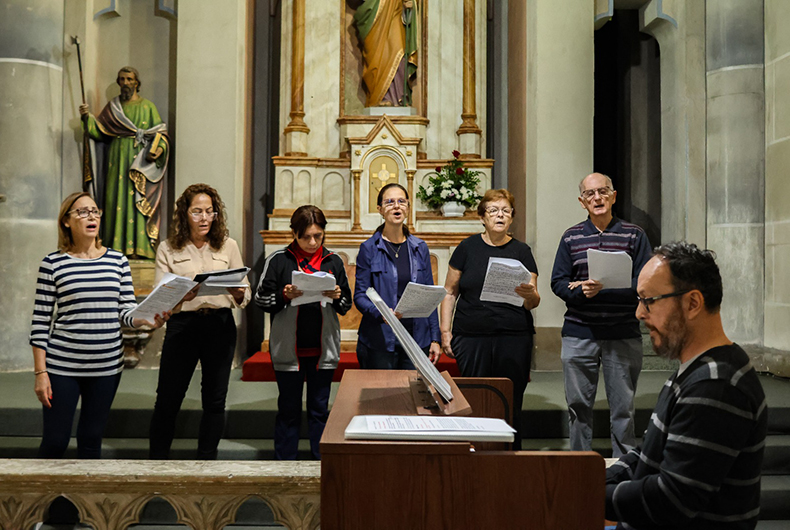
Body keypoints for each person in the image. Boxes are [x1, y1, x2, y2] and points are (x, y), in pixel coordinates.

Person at [605, 242, 767, 529]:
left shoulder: (716, 386)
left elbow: (672, 499)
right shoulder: (696, 369)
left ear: (692, 303)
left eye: (649, 300)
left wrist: (588, 494)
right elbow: (648, 455)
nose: (639, 313)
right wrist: (589, 479)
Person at [29, 192, 168, 458]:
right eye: (82, 212)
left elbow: (126, 311)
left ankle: (86, 489)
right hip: (63, 366)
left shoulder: (117, 261)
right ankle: (45, 488)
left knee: (91, 440)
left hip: (106, 366)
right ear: (66, 221)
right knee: (56, 441)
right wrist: (40, 372)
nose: (91, 216)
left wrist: (146, 318)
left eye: (95, 211)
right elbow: (40, 321)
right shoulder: (53, 263)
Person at [550, 173, 651, 457]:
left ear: (613, 196)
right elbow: (558, 282)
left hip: (622, 332)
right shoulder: (571, 236)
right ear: (582, 201)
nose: (597, 198)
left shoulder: (634, 234)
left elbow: (646, 282)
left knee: (623, 408)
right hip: (579, 332)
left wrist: (604, 289)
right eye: (590, 194)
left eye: (603, 191)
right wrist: (581, 292)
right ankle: (580, 462)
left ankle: (623, 464)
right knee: (578, 407)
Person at [149, 184, 250, 460]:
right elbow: (159, 296)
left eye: (209, 211)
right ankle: (156, 462)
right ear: (185, 213)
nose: (204, 218)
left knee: (215, 400)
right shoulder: (169, 248)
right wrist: (181, 295)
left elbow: (245, 292)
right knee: (168, 398)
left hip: (219, 325)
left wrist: (238, 292)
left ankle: (207, 461)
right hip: (184, 326)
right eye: (197, 212)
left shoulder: (228, 245)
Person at [441, 189, 540, 449]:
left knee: (511, 399)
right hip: (471, 336)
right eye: (494, 210)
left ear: (512, 217)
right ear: (482, 217)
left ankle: (510, 454)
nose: (500, 215)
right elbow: (450, 292)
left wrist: (530, 294)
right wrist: (445, 332)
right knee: (475, 398)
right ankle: (475, 450)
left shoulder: (521, 251)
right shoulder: (467, 248)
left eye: (506, 211)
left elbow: (532, 302)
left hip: (513, 336)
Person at [255, 206, 352, 460]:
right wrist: (283, 295)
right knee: (289, 410)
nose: (312, 242)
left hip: (323, 349)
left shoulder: (333, 261)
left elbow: (346, 305)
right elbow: (261, 299)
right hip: (289, 349)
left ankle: (320, 464)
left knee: (319, 409)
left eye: (318, 236)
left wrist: (337, 296)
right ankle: (285, 466)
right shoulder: (278, 260)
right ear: (294, 233)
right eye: (305, 237)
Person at [79, 66, 169, 259]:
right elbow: (99, 131)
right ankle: (115, 248)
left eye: (129, 79)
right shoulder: (113, 107)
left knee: (138, 200)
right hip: (116, 160)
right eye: (122, 79)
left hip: (140, 162)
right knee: (115, 199)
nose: (125, 83)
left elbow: (160, 133)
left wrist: (159, 150)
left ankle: (141, 249)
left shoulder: (148, 107)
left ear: (137, 82)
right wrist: (87, 118)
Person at [354, 183, 441, 369]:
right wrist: (381, 313)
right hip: (380, 339)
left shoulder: (420, 248)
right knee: (382, 388)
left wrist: (435, 338)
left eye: (402, 201)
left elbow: (429, 295)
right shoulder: (369, 249)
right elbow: (360, 295)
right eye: (389, 202)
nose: (396, 206)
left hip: (416, 338)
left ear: (408, 207)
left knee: (413, 388)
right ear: (380, 209)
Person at [351, 0, 418, 106]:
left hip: (396, 11)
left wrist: (409, 7)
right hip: (373, 11)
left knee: (399, 51)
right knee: (377, 59)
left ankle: (398, 97)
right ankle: (381, 97)